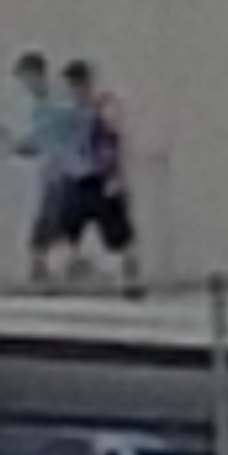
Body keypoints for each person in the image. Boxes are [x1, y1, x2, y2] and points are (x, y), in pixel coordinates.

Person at [0, 51, 88, 284]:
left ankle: (62, 267)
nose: (25, 84)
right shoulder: (41, 106)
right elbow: (41, 144)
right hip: (52, 175)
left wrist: (18, 145)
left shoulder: (56, 104)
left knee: (50, 228)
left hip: (64, 175)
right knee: (50, 228)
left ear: (37, 75)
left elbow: (53, 138)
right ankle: (62, 266)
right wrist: (18, 147)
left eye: (27, 77)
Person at [56, 59, 140, 294]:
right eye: (72, 85)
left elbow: (111, 144)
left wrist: (114, 176)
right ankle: (65, 275)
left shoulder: (101, 110)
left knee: (118, 235)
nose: (75, 90)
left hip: (100, 180)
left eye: (79, 84)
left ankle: (128, 277)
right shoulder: (67, 114)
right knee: (67, 233)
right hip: (76, 180)